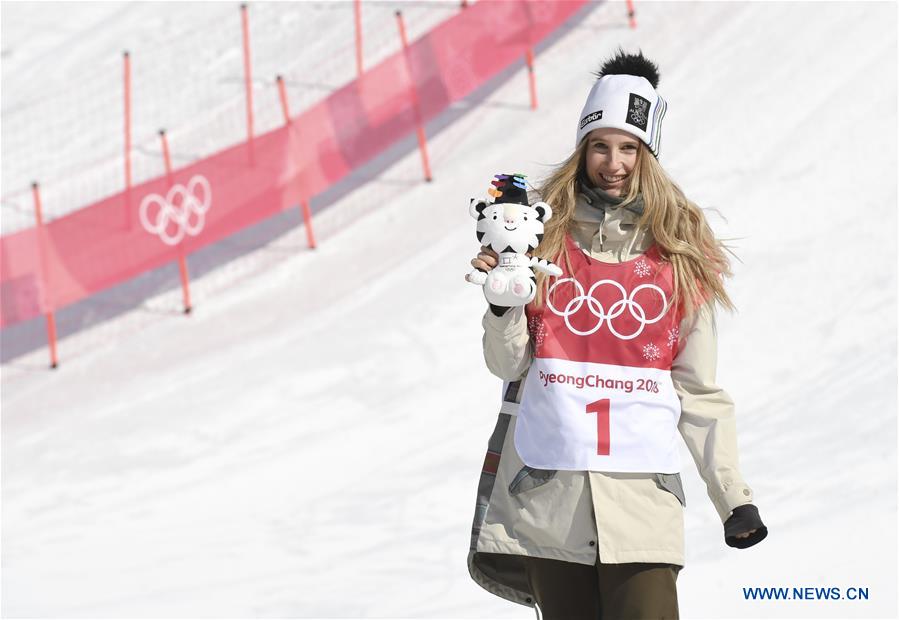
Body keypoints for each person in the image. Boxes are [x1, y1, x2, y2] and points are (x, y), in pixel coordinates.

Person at [465, 50, 767, 620]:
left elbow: (697, 392)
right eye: (600, 145)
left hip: (641, 501)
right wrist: (503, 306)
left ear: (647, 154)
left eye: (628, 147)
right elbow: (509, 367)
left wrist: (733, 498)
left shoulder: (680, 255)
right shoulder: (540, 240)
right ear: (583, 148)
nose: (614, 162)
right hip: (550, 501)